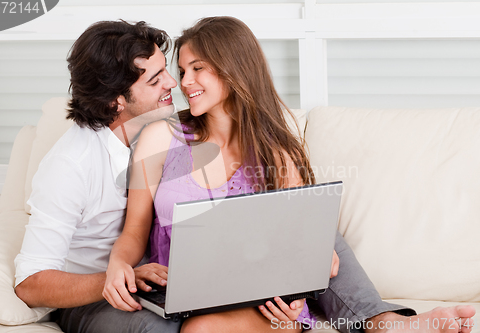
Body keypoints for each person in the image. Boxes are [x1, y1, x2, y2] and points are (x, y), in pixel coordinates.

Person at [104, 17, 476, 333]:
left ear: (234, 67)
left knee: (318, 231)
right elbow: (135, 230)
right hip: (181, 294)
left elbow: (300, 250)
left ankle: (386, 322)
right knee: (202, 326)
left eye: (198, 68)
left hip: (262, 300)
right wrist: (119, 263)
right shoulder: (160, 139)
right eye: (183, 71)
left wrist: (302, 283)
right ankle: (384, 323)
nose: (185, 82)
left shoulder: (274, 151)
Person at [14, 20, 181, 333]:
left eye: (166, 70)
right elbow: (29, 284)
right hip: (92, 299)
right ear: (115, 100)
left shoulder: (162, 131)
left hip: (156, 280)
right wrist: (117, 277)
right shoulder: (70, 166)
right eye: (156, 79)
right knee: (158, 329)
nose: (172, 83)